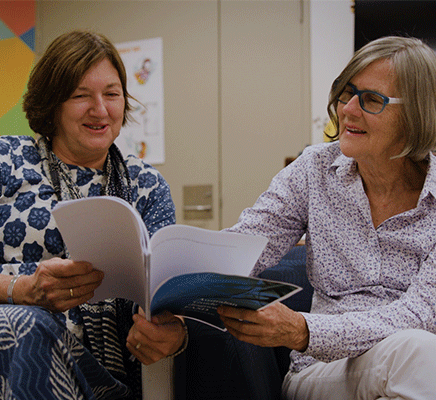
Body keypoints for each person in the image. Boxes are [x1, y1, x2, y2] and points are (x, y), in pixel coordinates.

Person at [218, 36, 436, 399]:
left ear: (418, 113)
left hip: (419, 365)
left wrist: (303, 329)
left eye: (371, 100)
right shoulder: (314, 170)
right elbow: (243, 246)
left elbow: (422, 314)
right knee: (419, 354)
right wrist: (173, 276)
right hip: (323, 372)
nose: (348, 109)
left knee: (418, 352)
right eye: (345, 92)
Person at [0, 30, 187, 399]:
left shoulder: (146, 184)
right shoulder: (7, 160)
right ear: (52, 102)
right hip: (13, 344)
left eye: (112, 94)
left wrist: (173, 331)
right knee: (23, 324)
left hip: (106, 374)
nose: (100, 110)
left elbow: (164, 296)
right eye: (80, 95)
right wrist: (23, 291)